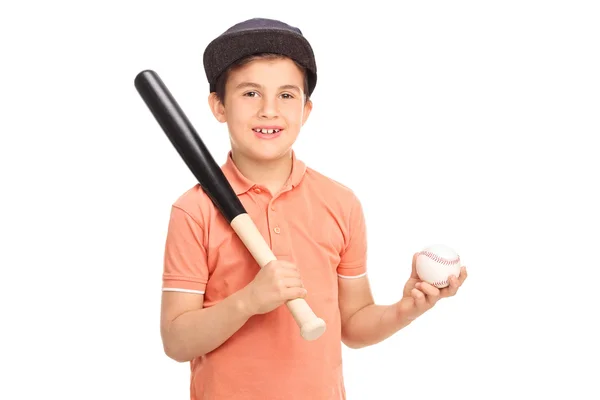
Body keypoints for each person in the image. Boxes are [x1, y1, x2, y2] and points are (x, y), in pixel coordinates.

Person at [159, 17, 467, 399]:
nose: (269, 110)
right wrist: (248, 301)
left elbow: (353, 326)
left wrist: (407, 308)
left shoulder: (339, 203)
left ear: (305, 110)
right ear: (218, 106)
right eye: (250, 93)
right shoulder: (194, 210)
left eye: (286, 95)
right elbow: (176, 341)